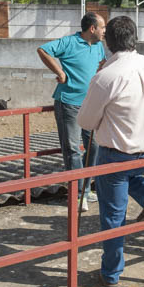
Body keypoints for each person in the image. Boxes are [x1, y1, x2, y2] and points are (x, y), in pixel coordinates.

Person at [78, 16, 144, 287]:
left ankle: (111, 274)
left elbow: (85, 121)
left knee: (113, 217)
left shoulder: (107, 75)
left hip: (117, 153)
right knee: (128, 177)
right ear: (135, 39)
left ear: (108, 42)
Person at [36, 12, 106, 211]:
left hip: (90, 103)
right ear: (92, 28)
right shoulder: (69, 42)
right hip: (69, 103)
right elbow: (42, 50)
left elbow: (101, 63)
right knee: (73, 149)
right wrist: (59, 72)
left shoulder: (99, 46)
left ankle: (86, 187)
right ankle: (76, 194)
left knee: (94, 146)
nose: (104, 31)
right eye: (102, 27)